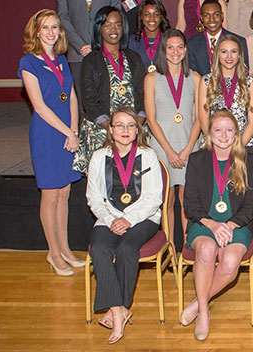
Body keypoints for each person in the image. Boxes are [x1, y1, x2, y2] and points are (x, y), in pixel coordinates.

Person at [86, 107, 163, 344]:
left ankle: (117, 311)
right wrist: (111, 220)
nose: (125, 130)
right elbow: (94, 197)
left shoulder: (148, 155)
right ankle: (118, 310)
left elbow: (154, 198)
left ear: (137, 129)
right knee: (99, 248)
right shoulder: (99, 157)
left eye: (131, 125)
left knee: (127, 249)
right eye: (119, 125)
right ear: (110, 129)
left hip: (144, 218)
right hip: (108, 216)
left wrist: (128, 219)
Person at [180, 110, 253, 341]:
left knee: (230, 262)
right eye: (218, 130)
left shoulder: (247, 159)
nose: (223, 135)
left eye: (229, 130)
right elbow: (190, 203)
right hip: (204, 222)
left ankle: (197, 304)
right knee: (205, 250)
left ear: (236, 134)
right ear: (209, 133)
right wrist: (213, 225)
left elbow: (252, 203)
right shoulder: (197, 160)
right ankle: (204, 313)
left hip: (237, 224)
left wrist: (231, 225)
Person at [18, 9, 82, 276]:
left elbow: (72, 96)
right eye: (45, 27)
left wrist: (75, 130)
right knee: (51, 194)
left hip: (68, 133)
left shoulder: (61, 60)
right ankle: (53, 254)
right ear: (35, 31)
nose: (51, 32)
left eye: (55, 27)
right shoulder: (28, 62)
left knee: (65, 192)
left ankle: (65, 248)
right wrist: (67, 132)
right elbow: (40, 107)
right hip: (47, 134)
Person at [144, 29, 201, 252]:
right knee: (166, 200)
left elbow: (199, 118)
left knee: (188, 202)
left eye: (180, 47)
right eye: (170, 47)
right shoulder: (151, 78)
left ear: (185, 50)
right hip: (161, 147)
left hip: (189, 145)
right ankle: (169, 251)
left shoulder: (195, 78)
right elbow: (150, 118)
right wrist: (168, 151)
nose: (175, 52)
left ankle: (189, 248)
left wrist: (187, 149)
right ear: (163, 51)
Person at [73, 6, 146, 173]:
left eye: (118, 25)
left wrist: (135, 126)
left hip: (134, 129)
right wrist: (112, 128)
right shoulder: (91, 60)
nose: (114, 30)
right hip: (103, 131)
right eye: (107, 25)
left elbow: (144, 94)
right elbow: (88, 99)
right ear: (99, 28)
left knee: (135, 179)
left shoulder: (134, 58)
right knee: (103, 183)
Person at [56, 0, 120, 105]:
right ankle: (85, 131)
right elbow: (62, 16)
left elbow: (116, 19)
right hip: (77, 53)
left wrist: (97, 44)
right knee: (83, 99)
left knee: (106, 96)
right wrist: (81, 46)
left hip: (104, 50)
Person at [198, 35, 253, 153]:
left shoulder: (249, 82)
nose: (229, 56)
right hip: (214, 146)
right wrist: (217, 146)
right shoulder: (206, 81)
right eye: (224, 51)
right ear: (217, 55)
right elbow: (203, 119)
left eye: (234, 51)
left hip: (244, 145)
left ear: (239, 55)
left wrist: (237, 147)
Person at [188, 0, 248, 77]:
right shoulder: (192, 44)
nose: (211, 19)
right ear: (201, 18)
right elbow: (193, 75)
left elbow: (243, 72)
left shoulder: (239, 42)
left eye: (216, 14)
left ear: (222, 16)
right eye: (207, 15)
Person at [128, 0, 170, 73]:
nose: (152, 18)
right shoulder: (132, 41)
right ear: (141, 16)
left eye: (156, 14)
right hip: (140, 83)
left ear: (161, 17)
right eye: (147, 14)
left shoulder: (169, 40)